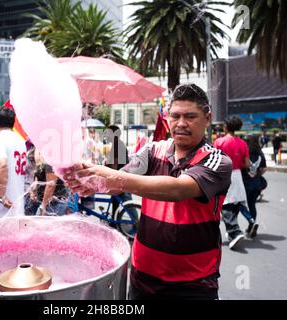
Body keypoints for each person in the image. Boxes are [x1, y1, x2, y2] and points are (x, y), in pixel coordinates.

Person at [63, 84, 232, 300]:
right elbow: (121, 177)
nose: (181, 123)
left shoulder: (217, 161)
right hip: (142, 278)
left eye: (190, 116)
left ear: (207, 119)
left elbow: (177, 189)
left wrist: (106, 175)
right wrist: (91, 180)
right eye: (175, 116)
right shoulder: (154, 151)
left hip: (192, 286)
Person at [214, 116, 250, 249]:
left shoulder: (219, 142)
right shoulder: (243, 143)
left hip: (223, 175)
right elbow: (246, 164)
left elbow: (214, 160)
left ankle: (235, 232)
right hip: (237, 175)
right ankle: (232, 232)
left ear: (226, 127)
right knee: (234, 203)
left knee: (224, 204)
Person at [24, 149, 68, 216]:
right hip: (46, 201)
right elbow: (38, 176)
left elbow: (51, 184)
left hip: (54, 203)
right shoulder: (41, 154)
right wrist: (33, 191)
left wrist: (43, 206)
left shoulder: (52, 156)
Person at [241, 135, 267, 238]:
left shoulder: (245, 152)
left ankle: (250, 221)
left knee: (239, 204)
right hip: (257, 184)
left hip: (245, 183)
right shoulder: (260, 153)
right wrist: (257, 174)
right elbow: (264, 169)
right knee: (252, 205)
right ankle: (251, 225)